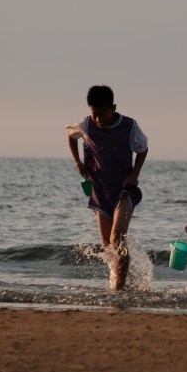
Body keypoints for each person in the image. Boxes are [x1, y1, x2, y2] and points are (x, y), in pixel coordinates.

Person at [67, 85, 148, 290]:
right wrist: (77, 162)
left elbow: (143, 148)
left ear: (113, 107)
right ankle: (125, 280)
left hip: (124, 189)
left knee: (117, 237)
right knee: (107, 246)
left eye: (102, 114)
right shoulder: (86, 125)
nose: (98, 120)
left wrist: (134, 174)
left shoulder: (129, 126)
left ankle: (118, 290)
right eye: (94, 114)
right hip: (100, 190)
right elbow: (70, 134)